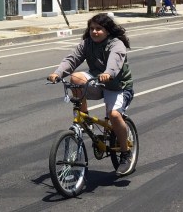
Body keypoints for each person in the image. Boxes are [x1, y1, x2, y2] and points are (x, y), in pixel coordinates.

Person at [47, 13, 135, 176]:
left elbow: (115, 61)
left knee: (114, 115)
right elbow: (72, 59)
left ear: (107, 31)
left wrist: (108, 73)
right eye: (92, 28)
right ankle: (84, 116)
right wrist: (58, 73)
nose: (94, 32)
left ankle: (125, 154)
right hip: (97, 83)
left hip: (118, 87)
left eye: (99, 29)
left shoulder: (117, 44)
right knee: (75, 77)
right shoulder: (87, 44)